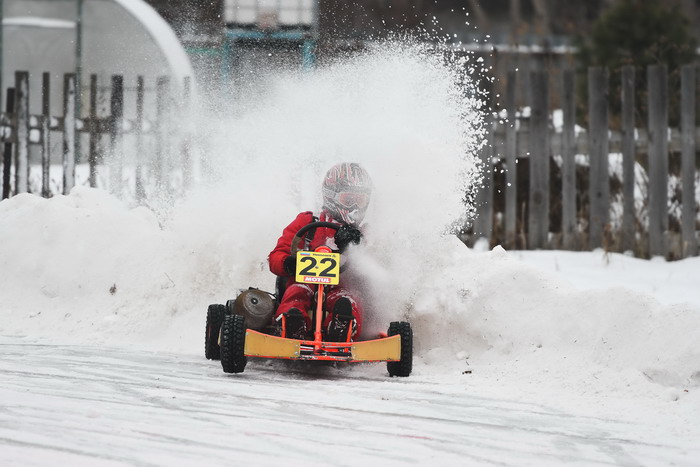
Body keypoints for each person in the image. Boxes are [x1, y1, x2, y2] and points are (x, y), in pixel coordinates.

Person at [268, 162, 372, 342]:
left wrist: (354, 245)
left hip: (341, 287)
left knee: (348, 300)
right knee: (296, 294)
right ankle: (293, 323)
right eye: (348, 200)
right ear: (331, 196)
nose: (355, 206)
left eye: (360, 200)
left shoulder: (364, 232)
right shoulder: (308, 223)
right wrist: (289, 263)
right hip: (303, 283)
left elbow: (375, 269)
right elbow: (276, 256)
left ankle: (341, 326)